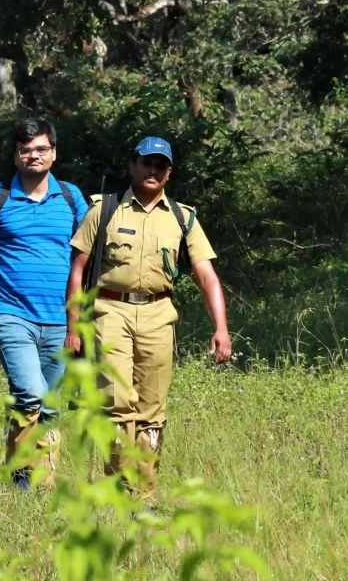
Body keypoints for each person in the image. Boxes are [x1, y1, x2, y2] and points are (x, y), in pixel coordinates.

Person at [66, 136, 231, 508]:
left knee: (151, 412)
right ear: (133, 166)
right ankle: (118, 488)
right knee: (117, 402)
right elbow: (77, 270)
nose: (152, 170)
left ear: (169, 173)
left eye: (160, 165)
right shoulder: (104, 210)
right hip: (110, 310)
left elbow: (207, 276)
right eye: (146, 162)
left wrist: (221, 328)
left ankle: (144, 497)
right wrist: (73, 326)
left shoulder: (183, 218)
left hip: (159, 314)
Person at [0, 119, 88, 490]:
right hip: (10, 313)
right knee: (31, 393)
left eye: (41, 148)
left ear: (54, 153)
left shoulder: (72, 198)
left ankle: (35, 479)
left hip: (59, 318)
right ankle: (26, 477)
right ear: (16, 155)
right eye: (26, 150)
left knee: (50, 404)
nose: (34, 156)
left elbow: (89, 254)